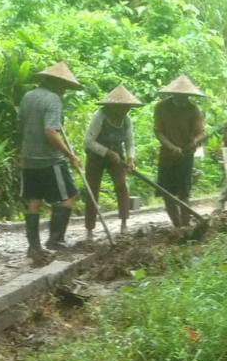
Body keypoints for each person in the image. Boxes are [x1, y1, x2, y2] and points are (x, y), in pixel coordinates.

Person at [18, 61, 82, 261]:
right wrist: (70, 154)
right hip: (50, 159)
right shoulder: (53, 99)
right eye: (64, 86)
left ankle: (33, 247)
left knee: (34, 201)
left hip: (28, 157)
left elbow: (20, 125)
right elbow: (50, 132)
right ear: (56, 83)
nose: (64, 91)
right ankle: (55, 239)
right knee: (69, 196)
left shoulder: (27, 96)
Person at [83, 84, 140, 238]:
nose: (126, 110)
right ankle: (89, 228)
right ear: (115, 106)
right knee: (92, 189)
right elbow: (88, 141)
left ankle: (124, 222)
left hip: (116, 155)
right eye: (123, 107)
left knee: (121, 186)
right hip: (96, 155)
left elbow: (130, 142)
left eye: (128, 108)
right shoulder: (100, 116)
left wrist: (130, 158)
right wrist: (106, 152)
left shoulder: (126, 121)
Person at [153, 75, 206, 228]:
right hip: (166, 155)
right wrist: (171, 147)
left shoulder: (192, 109)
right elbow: (158, 132)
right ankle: (177, 226)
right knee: (167, 193)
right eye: (181, 96)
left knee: (184, 193)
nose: (184, 99)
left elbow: (201, 133)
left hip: (186, 155)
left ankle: (186, 226)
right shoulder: (161, 107)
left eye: (186, 96)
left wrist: (195, 141)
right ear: (174, 94)